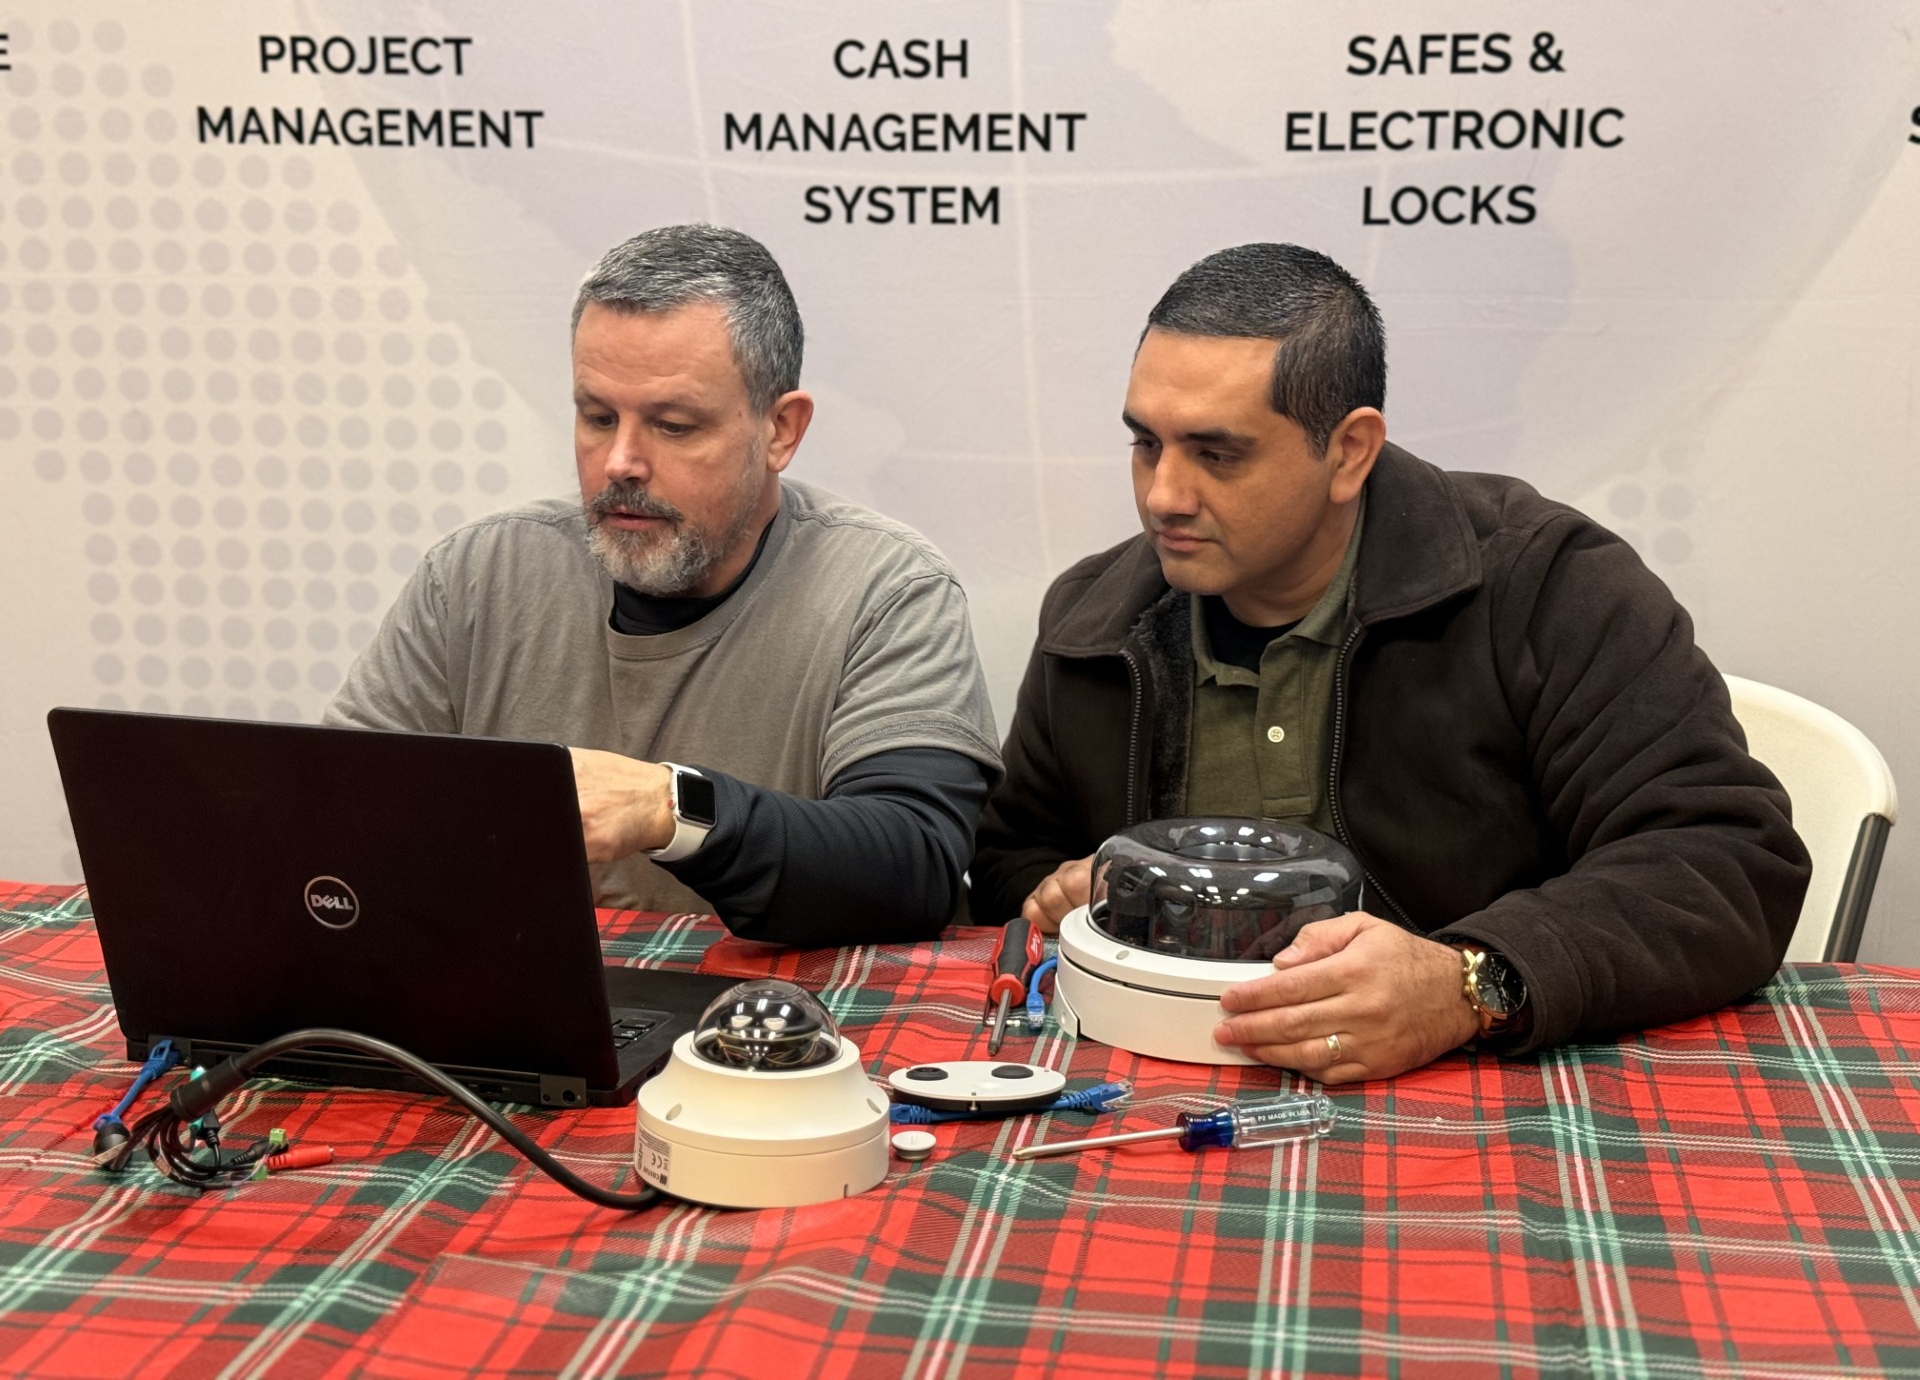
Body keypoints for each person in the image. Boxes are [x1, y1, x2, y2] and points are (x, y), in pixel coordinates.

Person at [971, 242, 1809, 1081]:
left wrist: (1469, 982)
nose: (1164, 495)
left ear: (1349, 452)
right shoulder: (1092, 618)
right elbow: (1010, 867)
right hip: (1162, 1093)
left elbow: (1724, 858)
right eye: (1146, 444)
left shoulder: (1548, 584)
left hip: (1486, 1097)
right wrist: (1076, 893)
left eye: (1217, 454)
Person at [328, 224, 1001, 947]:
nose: (620, 461)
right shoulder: (476, 577)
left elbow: (912, 865)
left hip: (792, 1031)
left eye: (673, 426)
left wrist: (673, 808)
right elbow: (327, 819)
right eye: (596, 417)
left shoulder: (885, 589)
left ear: (781, 430)